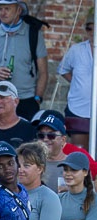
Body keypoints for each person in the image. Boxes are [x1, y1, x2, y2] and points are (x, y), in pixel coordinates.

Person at [0, 0, 48, 119]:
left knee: (27, 137)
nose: (2, 13)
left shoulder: (34, 34)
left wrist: (37, 98)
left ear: (19, 10)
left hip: (26, 100)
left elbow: (43, 72)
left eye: (7, 9)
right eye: (0, 9)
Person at [34, 111, 97, 189]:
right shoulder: (32, 163)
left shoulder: (77, 157)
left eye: (51, 135)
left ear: (63, 139)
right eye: (41, 135)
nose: (45, 139)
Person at [58, 17, 93, 148]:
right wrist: (76, 83)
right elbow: (63, 69)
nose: (93, 31)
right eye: (89, 28)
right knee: (79, 150)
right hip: (78, 106)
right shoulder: (76, 50)